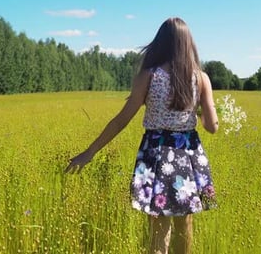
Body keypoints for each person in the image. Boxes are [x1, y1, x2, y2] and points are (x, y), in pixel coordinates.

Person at [65, 17, 219, 254]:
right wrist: (197, 110)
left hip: (156, 153)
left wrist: (89, 152)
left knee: (158, 225)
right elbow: (212, 126)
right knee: (184, 224)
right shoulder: (201, 78)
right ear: (188, 43)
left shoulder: (149, 75)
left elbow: (121, 121)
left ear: (161, 43)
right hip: (187, 154)